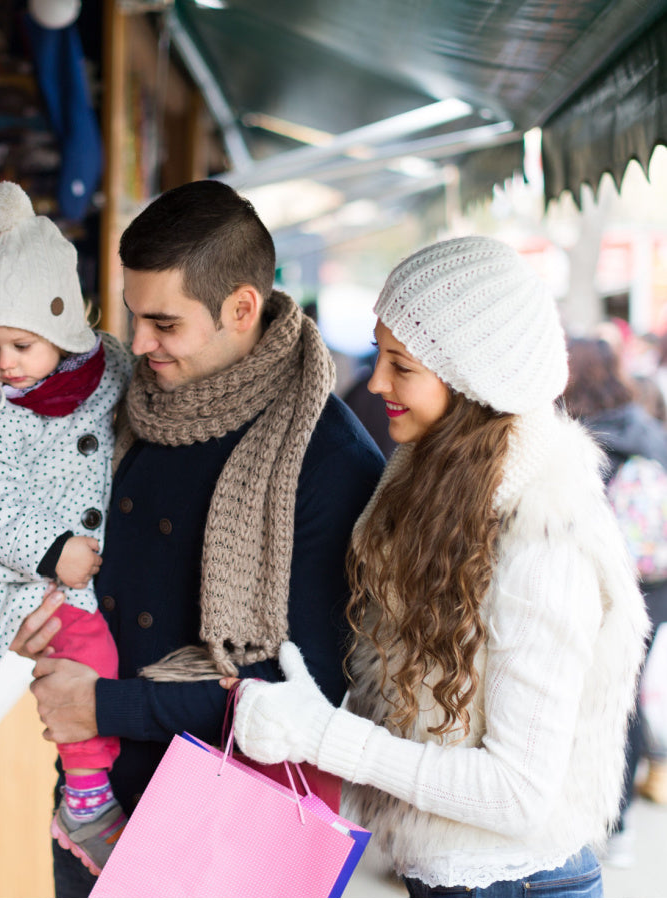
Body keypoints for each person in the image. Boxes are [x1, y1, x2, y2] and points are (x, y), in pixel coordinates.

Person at [228, 236, 649, 898]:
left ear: (471, 383)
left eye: (402, 365)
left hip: (521, 885)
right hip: (448, 877)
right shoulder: (433, 492)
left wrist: (325, 736)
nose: (375, 382)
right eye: (378, 353)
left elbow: (518, 794)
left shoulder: (544, 537)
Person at [9, 179, 387, 896]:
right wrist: (38, 605)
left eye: (165, 324)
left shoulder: (329, 460)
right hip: (92, 809)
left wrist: (103, 705)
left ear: (242, 308)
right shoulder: (124, 408)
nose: (138, 344)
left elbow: (308, 698)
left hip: (228, 831)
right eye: (132, 317)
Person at [0, 181, 133, 875]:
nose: (3, 364)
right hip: (17, 576)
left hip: (81, 571)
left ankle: (89, 792)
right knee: (86, 658)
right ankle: (85, 799)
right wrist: (53, 553)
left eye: (21, 343)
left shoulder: (109, 374)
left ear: (64, 325)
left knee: (96, 658)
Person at [562, 336, 667, 864]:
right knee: (619, 695)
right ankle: (616, 821)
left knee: (575, 693)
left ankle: (577, 813)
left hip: (590, 579)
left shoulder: (575, 430)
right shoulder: (648, 428)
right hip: (652, 587)